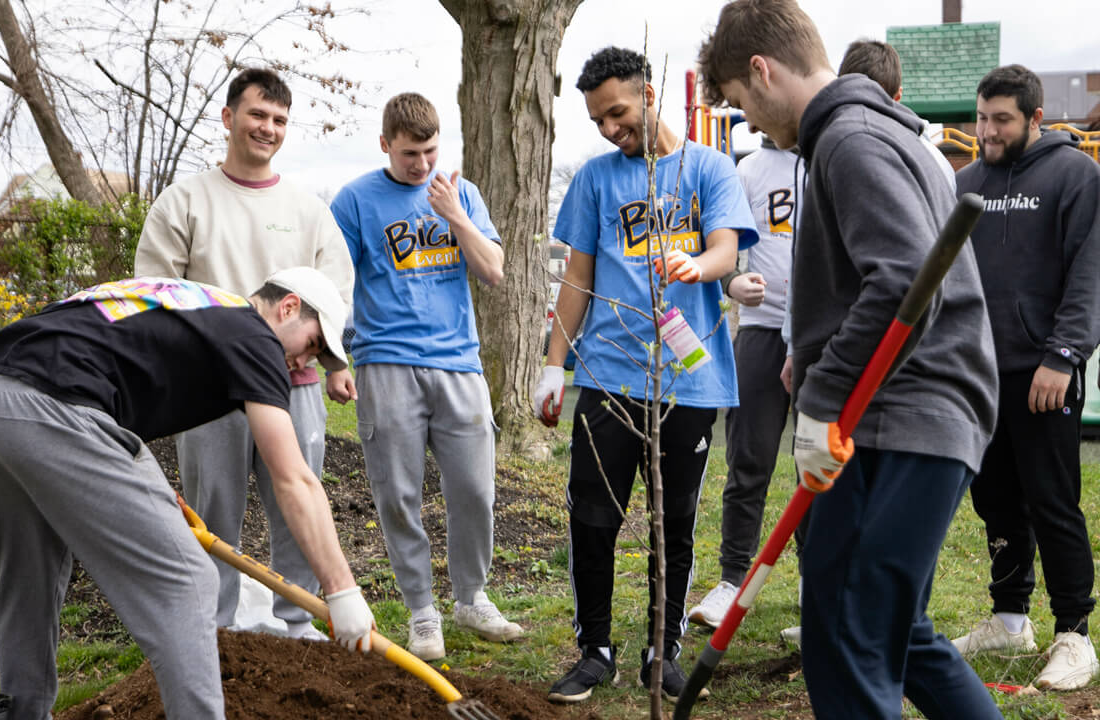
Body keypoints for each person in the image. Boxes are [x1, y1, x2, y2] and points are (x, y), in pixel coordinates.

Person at [698, 1, 1002, 717]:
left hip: (905, 415)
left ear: (761, 71)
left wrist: (824, 394)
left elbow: (902, 281)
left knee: (853, 631)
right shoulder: (864, 134)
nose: (752, 122)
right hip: (898, 414)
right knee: (875, 625)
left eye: (742, 103)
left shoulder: (849, 140)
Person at [0, 269, 375, 720]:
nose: (303, 364)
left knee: (30, 577)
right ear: (289, 306)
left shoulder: (196, 304)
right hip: (52, 407)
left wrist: (138, 486)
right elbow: (293, 478)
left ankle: (23, 715)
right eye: (311, 346)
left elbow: (112, 358)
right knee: (189, 579)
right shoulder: (255, 335)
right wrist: (341, 589)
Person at [532, 46, 757, 702]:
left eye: (618, 113)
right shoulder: (596, 181)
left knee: (674, 522)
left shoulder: (710, 168)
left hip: (688, 379)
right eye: (598, 119)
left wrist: (698, 265)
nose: (609, 129)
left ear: (650, 95)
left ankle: (664, 654)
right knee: (593, 517)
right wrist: (555, 364)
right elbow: (578, 276)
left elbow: (725, 246)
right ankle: (594, 650)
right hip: (607, 377)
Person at [134, 67, 355, 641]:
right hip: (210, 392)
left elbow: (333, 296)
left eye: (280, 120)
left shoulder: (308, 210)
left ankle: (298, 620)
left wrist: (332, 364)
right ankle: (214, 628)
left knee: (297, 503)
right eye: (257, 115)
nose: (268, 128)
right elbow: (155, 297)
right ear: (229, 117)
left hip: (293, 388)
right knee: (212, 516)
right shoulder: (185, 203)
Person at [329, 92, 521, 662]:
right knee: (398, 495)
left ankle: (471, 597)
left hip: (459, 361)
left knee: (475, 489)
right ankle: (421, 610)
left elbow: (493, 271)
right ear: (386, 144)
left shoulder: (460, 193)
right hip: (385, 361)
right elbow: (333, 285)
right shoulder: (355, 201)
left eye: (431, 151)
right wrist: (337, 359)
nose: (422, 164)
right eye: (411, 153)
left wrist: (454, 213)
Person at [949, 63, 1100, 690]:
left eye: (1002, 120)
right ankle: (1010, 618)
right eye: (983, 118)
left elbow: (1090, 272)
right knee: (996, 498)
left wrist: (1063, 355)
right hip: (982, 372)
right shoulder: (966, 182)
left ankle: (1074, 633)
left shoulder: (1076, 175)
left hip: (1046, 372)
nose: (988, 131)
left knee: (1052, 498)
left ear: (1035, 118)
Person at [688, 134, 801, 630]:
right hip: (761, 329)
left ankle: (819, 582)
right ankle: (732, 581)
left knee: (818, 465)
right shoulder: (749, 168)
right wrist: (732, 281)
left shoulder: (834, 154)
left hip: (823, 335)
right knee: (747, 459)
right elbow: (716, 247)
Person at [836, 39, 956, 192]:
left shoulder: (828, 154)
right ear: (898, 96)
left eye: (874, 105)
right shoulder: (937, 162)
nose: (865, 117)